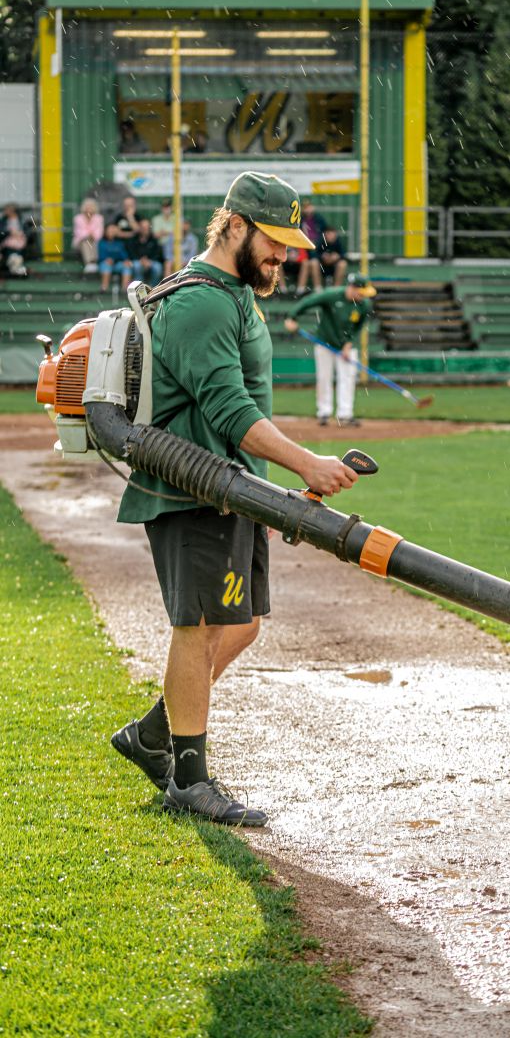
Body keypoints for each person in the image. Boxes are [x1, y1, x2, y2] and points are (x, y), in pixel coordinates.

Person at [111, 171, 357, 826]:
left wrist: (264, 497)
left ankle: (153, 734)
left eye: (288, 245)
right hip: (192, 491)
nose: (282, 257)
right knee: (196, 629)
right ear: (236, 226)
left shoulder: (236, 295)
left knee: (241, 623)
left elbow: (240, 411)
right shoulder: (202, 304)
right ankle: (188, 781)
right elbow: (230, 411)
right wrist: (308, 464)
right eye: (273, 242)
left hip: (232, 491)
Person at [284, 273, 376, 427]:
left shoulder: (364, 305)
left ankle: (345, 414)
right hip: (324, 342)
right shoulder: (332, 295)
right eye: (361, 292)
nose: (363, 296)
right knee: (324, 377)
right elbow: (308, 301)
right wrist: (292, 317)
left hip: (346, 346)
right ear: (352, 288)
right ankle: (324, 413)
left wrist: (348, 343)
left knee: (347, 378)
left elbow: (358, 327)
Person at [296, 198, 328, 293]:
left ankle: (317, 288)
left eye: (309, 206)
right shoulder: (299, 219)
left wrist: (316, 243)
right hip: (303, 248)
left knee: (314, 262)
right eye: (305, 207)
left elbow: (325, 235)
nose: (307, 209)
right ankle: (300, 289)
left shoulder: (319, 219)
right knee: (306, 262)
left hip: (317, 249)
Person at [126, 218, 164, 286]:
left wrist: (149, 261)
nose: (145, 229)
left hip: (150, 261)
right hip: (137, 260)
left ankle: (153, 287)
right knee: (137, 266)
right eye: (143, 227)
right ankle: (138, 287)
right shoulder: (134, 238)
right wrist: (141, 260)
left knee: (158, 267)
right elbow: (131, 252)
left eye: (147, 227)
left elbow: (157, 254)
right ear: (140, 228)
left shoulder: (153, 239)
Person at [71, 198, 104, 274]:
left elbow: (99, 233)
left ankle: (92, 264)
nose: (89, 209)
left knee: (92, 242)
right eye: (87, 207)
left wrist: (92, 235)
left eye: (91, 206)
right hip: (81, 242)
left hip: (94, 241)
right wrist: (89, 234)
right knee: (86, 242)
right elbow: (78, 233)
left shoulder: (99, 218)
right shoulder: (78, 218)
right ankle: (90, 262)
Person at [97, 223, 131, 293]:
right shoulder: (101, 242)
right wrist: (108, 259)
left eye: (113, 231)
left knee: (127, 266)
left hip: (117, 264)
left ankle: (125, 288)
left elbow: (123, 255)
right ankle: (104, 287)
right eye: (109, 231)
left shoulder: (119, 243)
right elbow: (102, 256)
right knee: (106, 266)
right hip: (105, 263)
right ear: (105, 232)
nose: (111, 233)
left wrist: (125, 261)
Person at [0, 204, 28, 277]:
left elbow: (26, 232)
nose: (5, 212)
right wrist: (10, 232)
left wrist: (20, 234)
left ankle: (16, 266)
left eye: (7, 210)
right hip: (7, 241)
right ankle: (13, 265)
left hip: (20, 241)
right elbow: (1, 232)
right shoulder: (3, 220)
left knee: (16, 254)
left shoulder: (21, 220)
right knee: (11, 251)